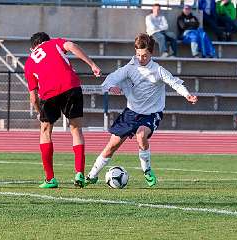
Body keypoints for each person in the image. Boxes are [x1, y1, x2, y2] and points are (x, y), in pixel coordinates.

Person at [84, 33, 197, 187]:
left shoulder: (158, 70)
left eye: (144, 55)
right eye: (138, 54)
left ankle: (147, 171)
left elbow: (174, 82)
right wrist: (111, 87)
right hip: (131, 113)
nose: (141, 58)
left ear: (151, 53)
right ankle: (92, 175)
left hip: (151, 114)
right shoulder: (129, 68)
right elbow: (110, 79)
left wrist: (187, 94)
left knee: (140, 135)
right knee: (112, 146)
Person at [24, 32, 101, 188]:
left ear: (33, 48)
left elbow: (33, 97)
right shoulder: (55, 43)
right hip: (71, 86)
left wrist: (40, 113)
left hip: (49, 92)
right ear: (47, 41)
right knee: (76, 129)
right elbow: (72, 46)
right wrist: (92, 64)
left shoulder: (29, 62)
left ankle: (50, 179)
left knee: (45, 132)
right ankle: (79, 173)